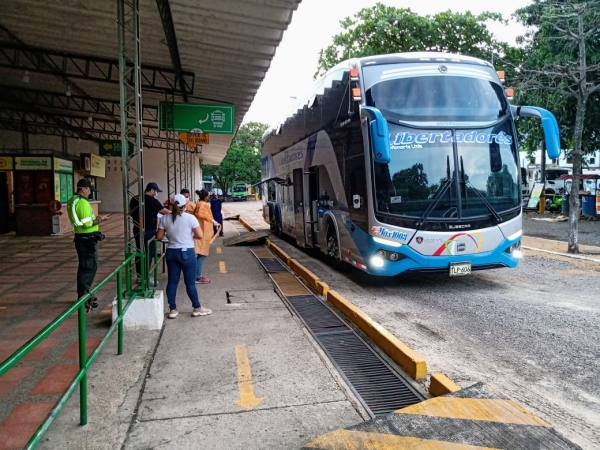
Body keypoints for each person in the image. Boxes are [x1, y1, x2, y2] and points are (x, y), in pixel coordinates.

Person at [156, 194, 212, 319]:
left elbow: (159, 237)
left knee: (172, 282)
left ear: (172, 204)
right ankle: (197, 307)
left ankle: (172, 310)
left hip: (171, 252)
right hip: (187, 252)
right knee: (190, 283)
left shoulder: (165, 218)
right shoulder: (190, 218)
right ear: (185, 205)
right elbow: (200, 235)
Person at [67, 178, 105, 313]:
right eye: (89, 190)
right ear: (83, 189)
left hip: (80, 237)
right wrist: (100, 219)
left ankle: (83, 293)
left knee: (84, 266)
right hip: (87, 239)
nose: (90, 193)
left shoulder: (72, 200)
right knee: (89, 267)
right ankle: (83, 296)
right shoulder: (82, 203)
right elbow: (87, 223)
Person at [129, 182, 171, 282]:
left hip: (137, 229)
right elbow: (163, 211)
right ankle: (146, 277)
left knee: (140, 251)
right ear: (151, 190)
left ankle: (139, 276)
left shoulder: (134, 198)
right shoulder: (152, 201)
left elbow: (131, 213)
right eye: (156, 191)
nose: (156, 193)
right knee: (148, 253)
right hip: (149, 230)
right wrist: (176, 212)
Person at [193, 189, 220, 284]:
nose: (209, 197)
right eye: (208, 196)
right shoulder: (203, 204)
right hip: (203, 234)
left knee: (200, 255)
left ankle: (196, 275)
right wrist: (212, 220)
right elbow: (201, 214)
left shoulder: (199, 204)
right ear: (205, 197)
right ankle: (197, 276)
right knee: (202, 255)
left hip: (202, 232)